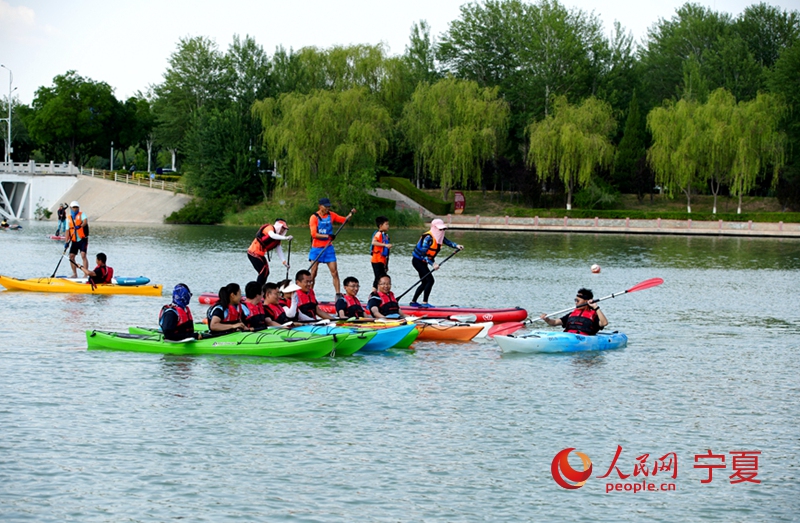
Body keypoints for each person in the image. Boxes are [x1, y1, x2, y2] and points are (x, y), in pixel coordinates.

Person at [410, 218, 463, 308]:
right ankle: (424, 303)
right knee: (430, 280)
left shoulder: (440, 236)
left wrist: (457, 246)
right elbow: (423, 254)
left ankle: (413, 302)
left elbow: (448, 242)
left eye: (443, 229)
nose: (442, 231)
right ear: (434, 228)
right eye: (440, 229)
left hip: (424, 262)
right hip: (418, 261)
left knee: (424, 282)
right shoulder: (428, 238)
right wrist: (433, 264)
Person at [308, 198, 355, 298]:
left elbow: (344, 220)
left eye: (329, 206)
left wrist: (350, 214)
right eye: (326, 206)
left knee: (334, 272)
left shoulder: (331, 215)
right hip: (316, 248)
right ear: (320, 206)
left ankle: (338, 294)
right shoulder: (314, 217)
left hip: (328, 248)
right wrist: (328, 236)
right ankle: (310, 294)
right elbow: (313, 234)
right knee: (313, 272)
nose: (327, 208)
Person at [540, 288, 608, 335]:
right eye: (575, 300)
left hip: (583, 339)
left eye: (578, 301)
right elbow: (554, 322)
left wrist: (595, 307)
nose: (576, 303)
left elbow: (604, 323)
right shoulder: (572, 314)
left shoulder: (594, 315)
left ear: (586, 301)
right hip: (569, 336)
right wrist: (547, 319)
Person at [247, 219, 293, 286]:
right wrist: (286, 238)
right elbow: (272, 235)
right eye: (282, 228)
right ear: (278, 226)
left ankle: (261, 289)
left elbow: (279, 250)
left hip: (260, 254)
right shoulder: (269, 228)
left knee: (267, 272)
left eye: (284, 229)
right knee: (263, 271)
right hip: (253, 252)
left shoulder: (277, 239)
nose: (282, 230)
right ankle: (257, 291)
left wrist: (284, 262)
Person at [66, 201, 90, 279]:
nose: (75, 209)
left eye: (76, 207)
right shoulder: (69, 218)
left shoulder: (82, 214)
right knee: (71, 256)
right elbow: (67, 231)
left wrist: (80, 226)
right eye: (74, 207)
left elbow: (85, 222)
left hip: (82, 239)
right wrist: (66, 243)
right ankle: (75, 274)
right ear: (71, 208)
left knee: (83, 255)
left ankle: (85, 274)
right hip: (74, 240)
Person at [370, 216, 392, 293]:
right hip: (376, 260)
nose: (388, 226)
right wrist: (385, 245)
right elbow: (374, 242)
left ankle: (379, 293)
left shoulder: (385, 236)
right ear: (380, 226)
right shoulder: (378, 234)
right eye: (386, 224)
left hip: (382, 260)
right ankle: (373, 293)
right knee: (379, 277)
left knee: (382, 277)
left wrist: (386, 265)